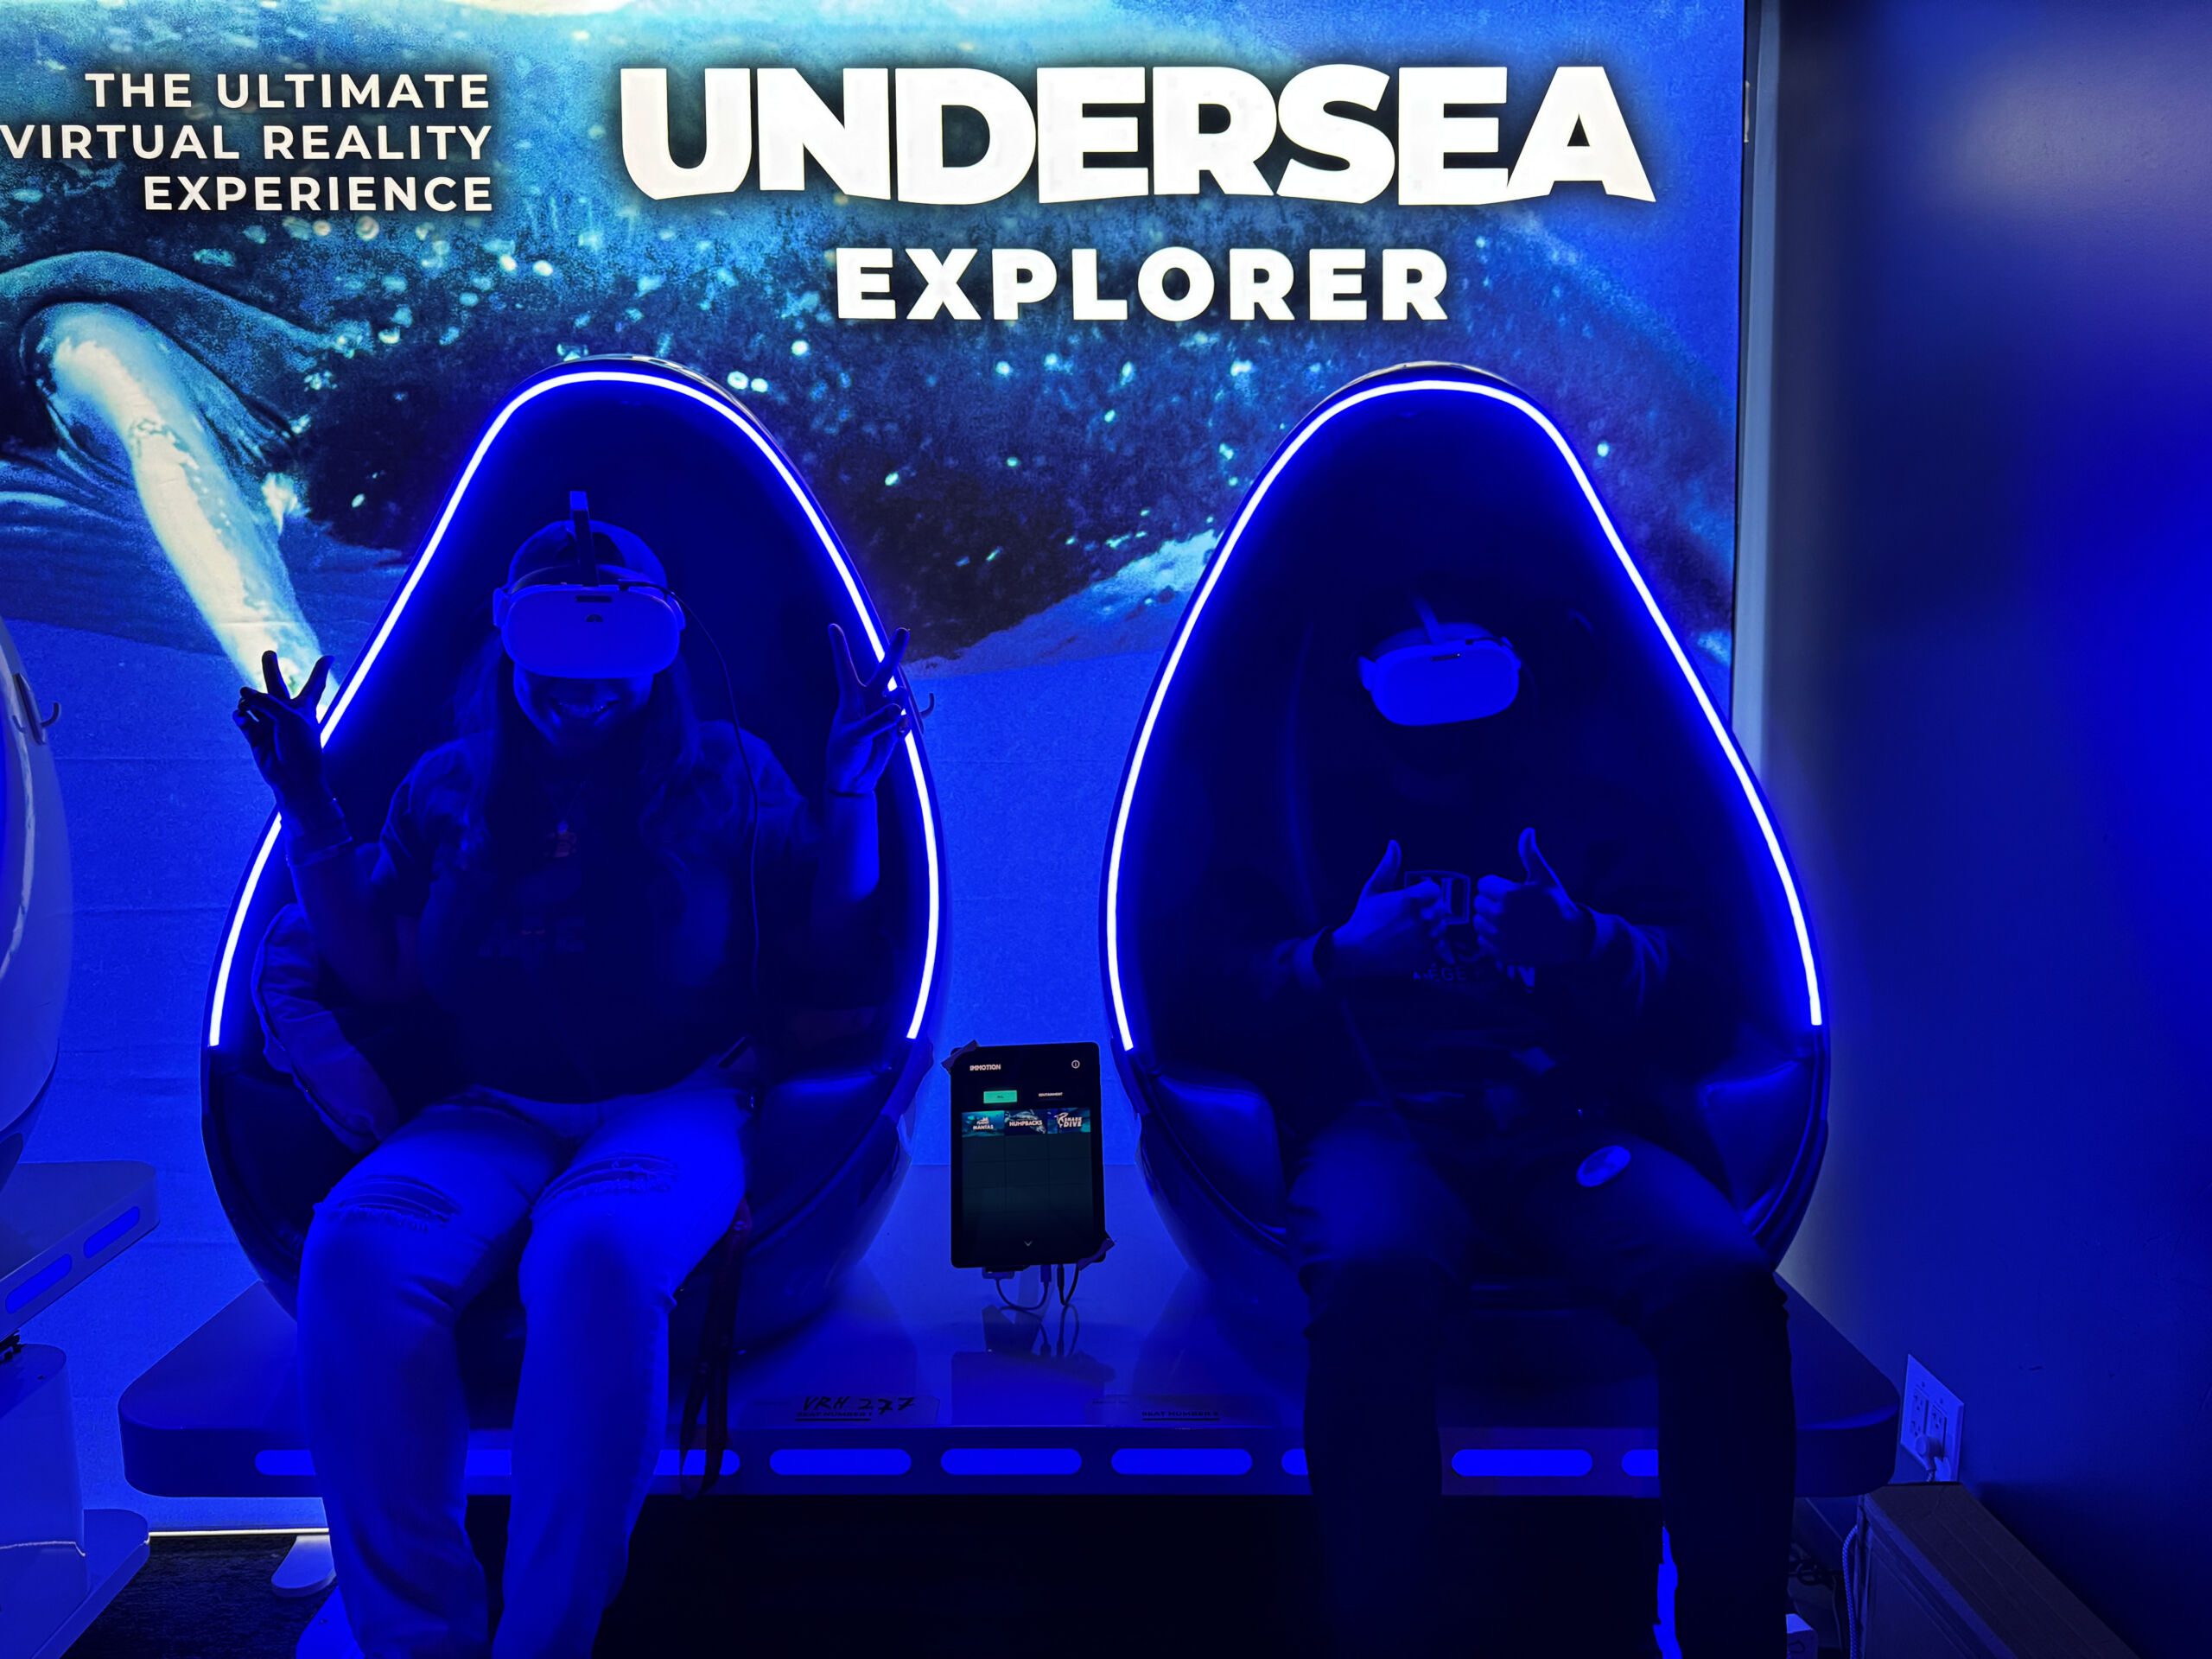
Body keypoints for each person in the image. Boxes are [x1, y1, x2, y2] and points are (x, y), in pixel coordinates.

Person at [230, 510, 912, 1659]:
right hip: (491, 1110)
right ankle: (416, 1640)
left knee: (598, 1255)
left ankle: (545, 1643)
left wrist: (851, 794)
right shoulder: (447, 786)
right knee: (354, 1251)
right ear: (511, 650)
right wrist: (310, 813)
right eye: (557, 671)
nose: (580, 698)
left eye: (609, 676)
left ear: (656, 661)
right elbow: (380, 968)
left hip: (678, 1101)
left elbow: (829, 946)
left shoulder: (727, 776)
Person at [1208, 588, 1796, 1657]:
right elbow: (1209, 990)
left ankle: (1733, 1640)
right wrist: (1340, 955)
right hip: (1380, 1125)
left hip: (1567, 1123)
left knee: (1725, 1283)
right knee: (1374, 1270)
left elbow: (1710, 983)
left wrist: (1583, 939)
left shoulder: (1588, 810)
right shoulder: (1301, 813)